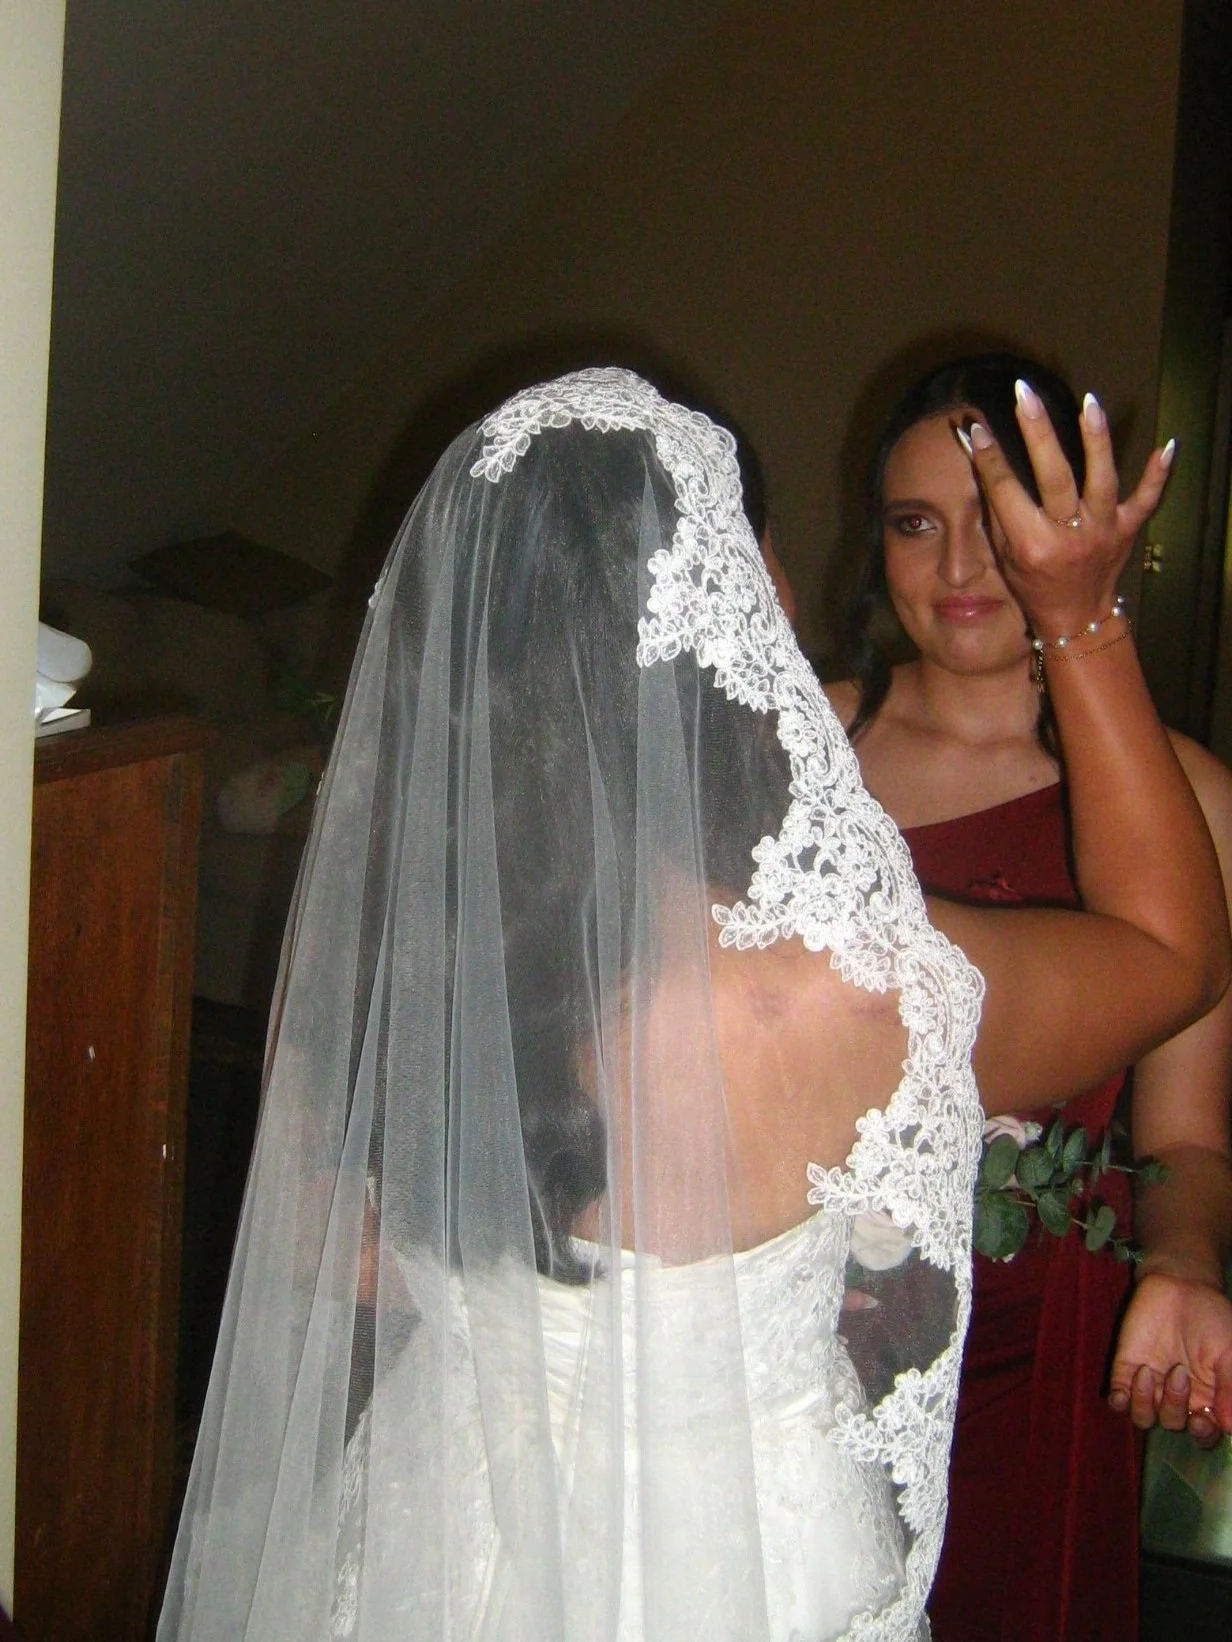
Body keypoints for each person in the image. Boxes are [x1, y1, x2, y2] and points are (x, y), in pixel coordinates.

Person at [158, 367, 1226, 1642]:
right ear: (729, 596)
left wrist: (527, 1303)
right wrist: (1084, 620)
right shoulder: (819, 985)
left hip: (432, 1517)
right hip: (737, 1571)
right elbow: (1171, 954)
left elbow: (326, 1245)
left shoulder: (384, 932)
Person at [828, 352, 1232, 1642]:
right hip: (789, 1332)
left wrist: (1176, 1259)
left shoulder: (1189, 803)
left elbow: (1182, 1140)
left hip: (1032, 1350)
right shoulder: (791, 747)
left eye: (996, 527)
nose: (957, 572)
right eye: (914, 524)